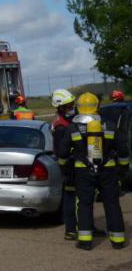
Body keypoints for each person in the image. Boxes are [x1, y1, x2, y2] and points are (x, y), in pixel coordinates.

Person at [57, 92, 130, 250]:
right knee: (112, 204)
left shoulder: (73, 127)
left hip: (83, 171)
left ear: (79, 107)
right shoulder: (110, 125)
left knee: (84, 204)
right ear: (97, 106)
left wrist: (64, 168)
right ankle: (118, 241)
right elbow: (123, 150)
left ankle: (85, 241)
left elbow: (62, 153)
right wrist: (123, 168)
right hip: (108, 171)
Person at [51, 89, 78, 240]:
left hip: (77, 166)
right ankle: (70, 229)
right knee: (70, 199)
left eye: (71, 104)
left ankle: (86, 226)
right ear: (59, 108)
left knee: (83, 200)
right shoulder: (61, 127)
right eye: (67, 106)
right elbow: (62, 152)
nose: (71, 108)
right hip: (69, 169)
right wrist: (66, 172)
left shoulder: (70, 122)